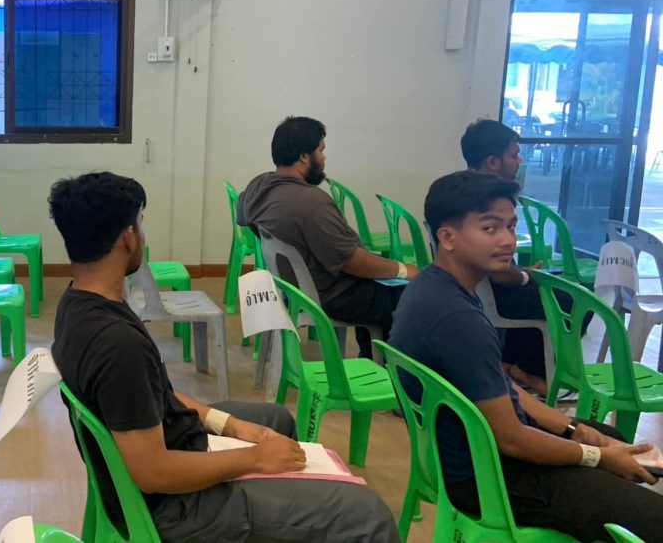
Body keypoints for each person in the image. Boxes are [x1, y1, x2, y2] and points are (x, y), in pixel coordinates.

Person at [49, 171, 399, 543]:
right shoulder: (117, 344)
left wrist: (228, 425)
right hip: (179, 510)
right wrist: (254, 459)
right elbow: (154, 473)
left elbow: (150, 394)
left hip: (169, 461)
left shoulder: (77, 303)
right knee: (367, 514)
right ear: (128, 236)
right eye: (142, 222)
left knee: (276, 419)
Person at [390, 170, 663, 542]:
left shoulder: (433, 288)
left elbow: (502, 388)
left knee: (606, 435)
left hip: (464, 456)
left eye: (510, 226)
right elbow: (512, 439)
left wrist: (574, 431)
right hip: (488, 478)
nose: (507, 240)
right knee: (652, 517)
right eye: (490, 228)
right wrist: (595, 456)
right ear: (448, 237)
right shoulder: (458, 319)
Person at [238, 116, 416, 358]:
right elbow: (352, 262)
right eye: (321, 150)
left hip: (295, 290)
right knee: (412, 296)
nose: (324, 158)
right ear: (304, 156)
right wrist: (403, 270)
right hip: (330, 295)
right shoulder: (312, 203)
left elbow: (243, 217)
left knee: (378, 288)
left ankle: (371, 358)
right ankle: (389, 369)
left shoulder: (258, 186)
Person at [461, 119, 553, 396]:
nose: (519, 162)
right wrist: (526, 275)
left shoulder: (457, 190)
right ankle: (533, 371)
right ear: (493, 162)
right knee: (567, 299)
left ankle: (511, 364)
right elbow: (500, 275)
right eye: (514, 155)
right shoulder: (490, 199)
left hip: (473, 287)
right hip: (490, 292)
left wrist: (524, 274)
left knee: (536, 287)